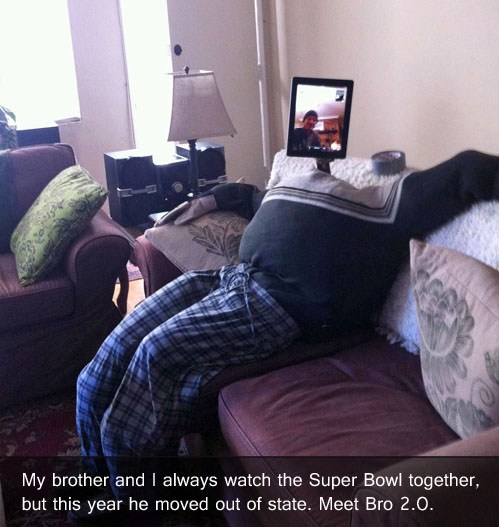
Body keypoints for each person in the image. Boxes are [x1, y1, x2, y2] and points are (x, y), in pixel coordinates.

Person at [72, 150, 499, 524]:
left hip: (271, 305)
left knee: (155, 353)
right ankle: (97, 471)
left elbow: (466, 171)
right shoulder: (297, 182)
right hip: (231, 276)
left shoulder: (384, 203)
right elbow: (244, 196)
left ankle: (133, 497)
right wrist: (209, 199)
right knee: (112, 351)